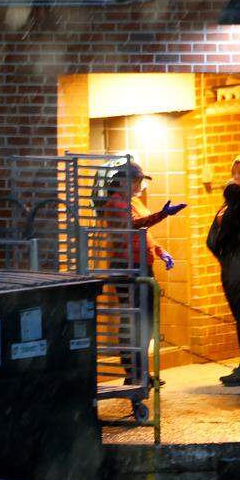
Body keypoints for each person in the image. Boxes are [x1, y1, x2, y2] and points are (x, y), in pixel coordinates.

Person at [95, 158, 186, 385]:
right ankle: (133, 374)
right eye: (136, 181)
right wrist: (163, 214)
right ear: (126, 181)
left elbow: (145, 234)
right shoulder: (115, 204)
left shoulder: (132, 202)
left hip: (141, 266)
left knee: (144, 321)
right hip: (128, 268)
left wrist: (160, 251)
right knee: (133, 321)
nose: (139, 186)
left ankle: (142, 373)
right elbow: (134, 225)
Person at [207, 154, 240, 386]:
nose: (235, 178)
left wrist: (230, 191)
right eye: (234, 173)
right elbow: (216, 234)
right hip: (232, 267)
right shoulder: (231, 202)